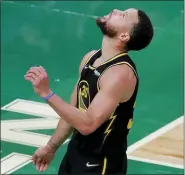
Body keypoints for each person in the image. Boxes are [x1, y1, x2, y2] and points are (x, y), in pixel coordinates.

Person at [24, 8, 153, 175]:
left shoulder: (120, 74)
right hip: (76, 152)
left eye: (123, 15)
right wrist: (51, 147)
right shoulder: (91, 57)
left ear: (124, 36)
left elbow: (88, 124)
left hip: (101, 164)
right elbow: (73, 110)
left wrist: (46, 93)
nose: (115, 10)